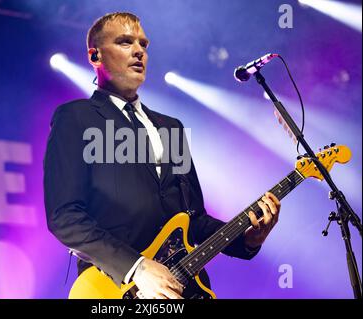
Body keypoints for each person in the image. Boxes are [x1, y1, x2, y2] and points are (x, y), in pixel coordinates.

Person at [44, 12, 281, 299]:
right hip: (115, 287)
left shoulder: (171, 128)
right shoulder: (76, 117)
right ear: (95, 56)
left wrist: (247, 239)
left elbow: (194, 219)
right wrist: (137, 268)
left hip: (184, 287)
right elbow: (64, 216)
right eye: (124, 42)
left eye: (143, 44)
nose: (138, 51)